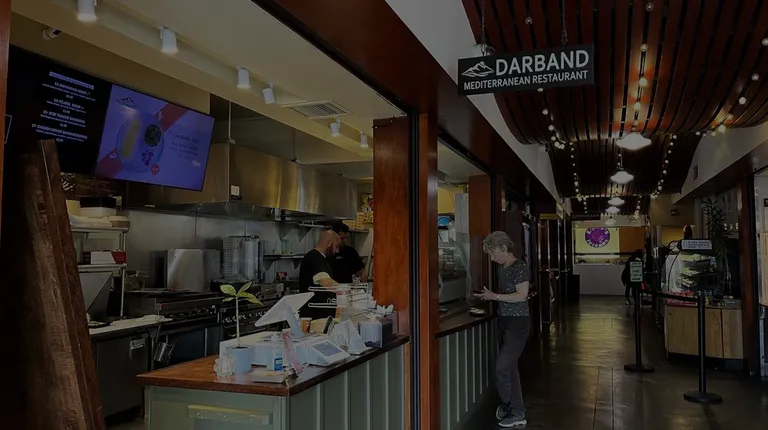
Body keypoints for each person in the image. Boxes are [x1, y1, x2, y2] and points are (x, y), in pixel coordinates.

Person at [474, 231, 530, 428]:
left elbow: (521, 295)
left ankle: (508, 405)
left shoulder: (519, 267)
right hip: (504, 321)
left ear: (505, 248)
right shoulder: (502, 267)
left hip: (518, 323)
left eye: (493, 253)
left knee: (503, 366)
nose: (492, 258)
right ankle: (517, 411)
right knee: (510, 368)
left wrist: (495, 297)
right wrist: (490, 296)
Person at [298, 230, 341, 319]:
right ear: (329, 243)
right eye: (336, 246)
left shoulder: (320, 258)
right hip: (314, 316)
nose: (337, 251)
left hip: (321, 314)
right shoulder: (314, 257)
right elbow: (325, 281)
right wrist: (345, 291)